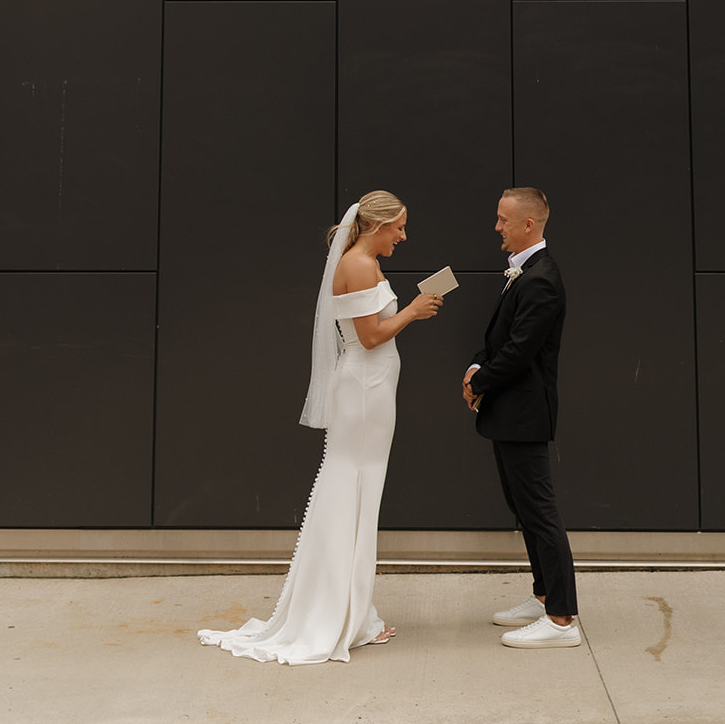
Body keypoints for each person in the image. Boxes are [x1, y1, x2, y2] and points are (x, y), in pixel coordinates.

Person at [198, 191, 442, 664]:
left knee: (356, 493)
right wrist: (413, 310)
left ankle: (351, 611)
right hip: (366, 390)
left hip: (369, 388)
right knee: (355, 492)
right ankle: (343, 615)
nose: (403, 236)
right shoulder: (360, 265)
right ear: (377, 225)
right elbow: (369, 337)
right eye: (399, 228)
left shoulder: (360, 262)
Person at [462, 187, 580, 649]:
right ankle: (544, 593)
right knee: (523, 508)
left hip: (525, 413)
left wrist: (480, 381)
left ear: (528, 224)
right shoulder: (524, 273)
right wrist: (476, 366)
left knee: (540, 512)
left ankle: (561, 619)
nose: (497, 227)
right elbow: (499, 339)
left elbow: (518, 352)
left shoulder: (541, 279)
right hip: (509, 412)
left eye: (502, 219)